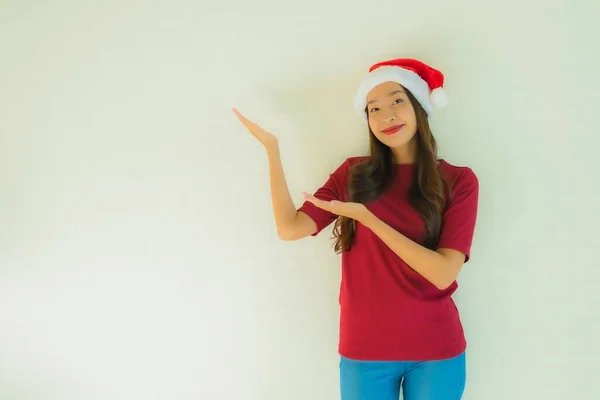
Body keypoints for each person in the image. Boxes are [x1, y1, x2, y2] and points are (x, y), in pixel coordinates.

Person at [232, 57, 479, 400]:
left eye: (397, 101)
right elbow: (290, 229)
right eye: (373, 108)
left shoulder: (458, 180)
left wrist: (368, 219)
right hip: (364, 349)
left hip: (437, 349)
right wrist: (272, 151)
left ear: (420, 107)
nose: (386, 116)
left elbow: (443, 273)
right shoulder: (352, 174)